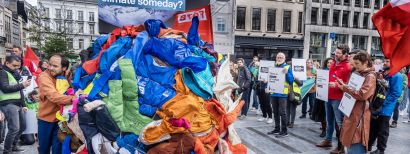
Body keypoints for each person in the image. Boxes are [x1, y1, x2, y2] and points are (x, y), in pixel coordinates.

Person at [37, 54, 82, 154]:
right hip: (46, 120)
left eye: (55, 66)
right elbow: (53, 96)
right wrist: (73, 99)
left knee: (58, 149)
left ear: (64, 68)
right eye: (50, 65)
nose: (51, 68)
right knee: (44, 149)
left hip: (61, 120)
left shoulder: (66, 74)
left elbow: (70, 89)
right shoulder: (44, 76)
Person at [337, 51, 376, 154]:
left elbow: (362, 95)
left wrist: (345, 87)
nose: (355, 66)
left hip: (359, 116)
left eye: (357, 63)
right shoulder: (360, 73)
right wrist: (344, 85)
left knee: (356, 141)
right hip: (353, 112)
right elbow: (354, 90)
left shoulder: (370, 76)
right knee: (351, 142)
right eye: (355, 63)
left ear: (366, 62)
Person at [316, 44, 351, 154]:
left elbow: (350, 84)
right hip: (328, 96)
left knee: (340, 123)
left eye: (339, 53)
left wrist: (336, 85)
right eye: (336, 52)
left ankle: (341, 147)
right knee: (329, 121)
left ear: (345, 54)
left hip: (338, 98)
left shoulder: (348, 67)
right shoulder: (334, 63)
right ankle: (328, 140)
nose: (336, 54)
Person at [368, 58, 403, 154]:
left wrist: (383, 104)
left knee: (383, 130)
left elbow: (396, 93)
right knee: (373, 127)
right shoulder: (383, 73)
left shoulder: (397, 76)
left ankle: (380, 150)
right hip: (377, 105)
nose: (384, 63)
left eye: (387, 61)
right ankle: (369, 145)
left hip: (386, 108)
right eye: (385, 61)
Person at [0, 55, 31, 153]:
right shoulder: (2, 73)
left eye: (18, 66)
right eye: (14, 66)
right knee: (14, 128)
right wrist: (22, 85)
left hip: (18, 104)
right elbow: (5, 89)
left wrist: (24, 104)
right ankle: (7, 150)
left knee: (22, 127)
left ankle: (13, 146)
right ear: (7, 63)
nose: (17, 68)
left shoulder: (13, 73)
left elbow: (20, 91)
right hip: (8, 104)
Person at [267, 52, 294, 138]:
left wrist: (287, 73)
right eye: (278, 57)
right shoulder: (273, 67)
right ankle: (277, 128)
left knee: (283, 112)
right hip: (273, 93)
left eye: (281, 57)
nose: (279, 59)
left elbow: (291, 80)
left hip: (282, 94)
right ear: (276, 58)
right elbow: (270, 79)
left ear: (284, 59)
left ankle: (284, 130)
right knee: (275, 112)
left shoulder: (287, 67)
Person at [311, 58, 334, 138]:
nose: (329, 64)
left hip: (332, 95)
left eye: (331, 62)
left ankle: (332, 131)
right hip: (322, 95)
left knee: (331, 115)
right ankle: (324, 130)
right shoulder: (322, 71)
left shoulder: (335, 72)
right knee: (322, 114)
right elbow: (317, 82)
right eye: (328, 62)